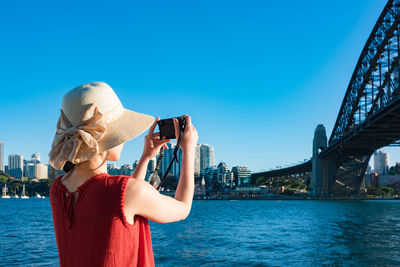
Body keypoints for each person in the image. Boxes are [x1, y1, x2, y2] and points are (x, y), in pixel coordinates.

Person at [48, 82, 198, 266]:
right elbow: (182, 208)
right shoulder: (126, 190)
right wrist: (189, 149)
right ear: (106, 137)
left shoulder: (57, 188)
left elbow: (119, 201)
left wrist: (145, 157)